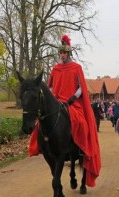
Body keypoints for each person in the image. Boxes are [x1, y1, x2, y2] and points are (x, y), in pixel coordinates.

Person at [29, 34, 101, 187]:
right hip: (57, 100)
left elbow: (82, 87)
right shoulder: (55, 68)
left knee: (80, 121)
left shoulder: (76, 68)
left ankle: (80, 148)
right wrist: (48, 96)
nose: (62, 55)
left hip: (72, 103)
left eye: (65, 53)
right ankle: (41, 146)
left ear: (69, 53)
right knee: (40, 123)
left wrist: (74, 97)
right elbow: (49, 87)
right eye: (61, 53)